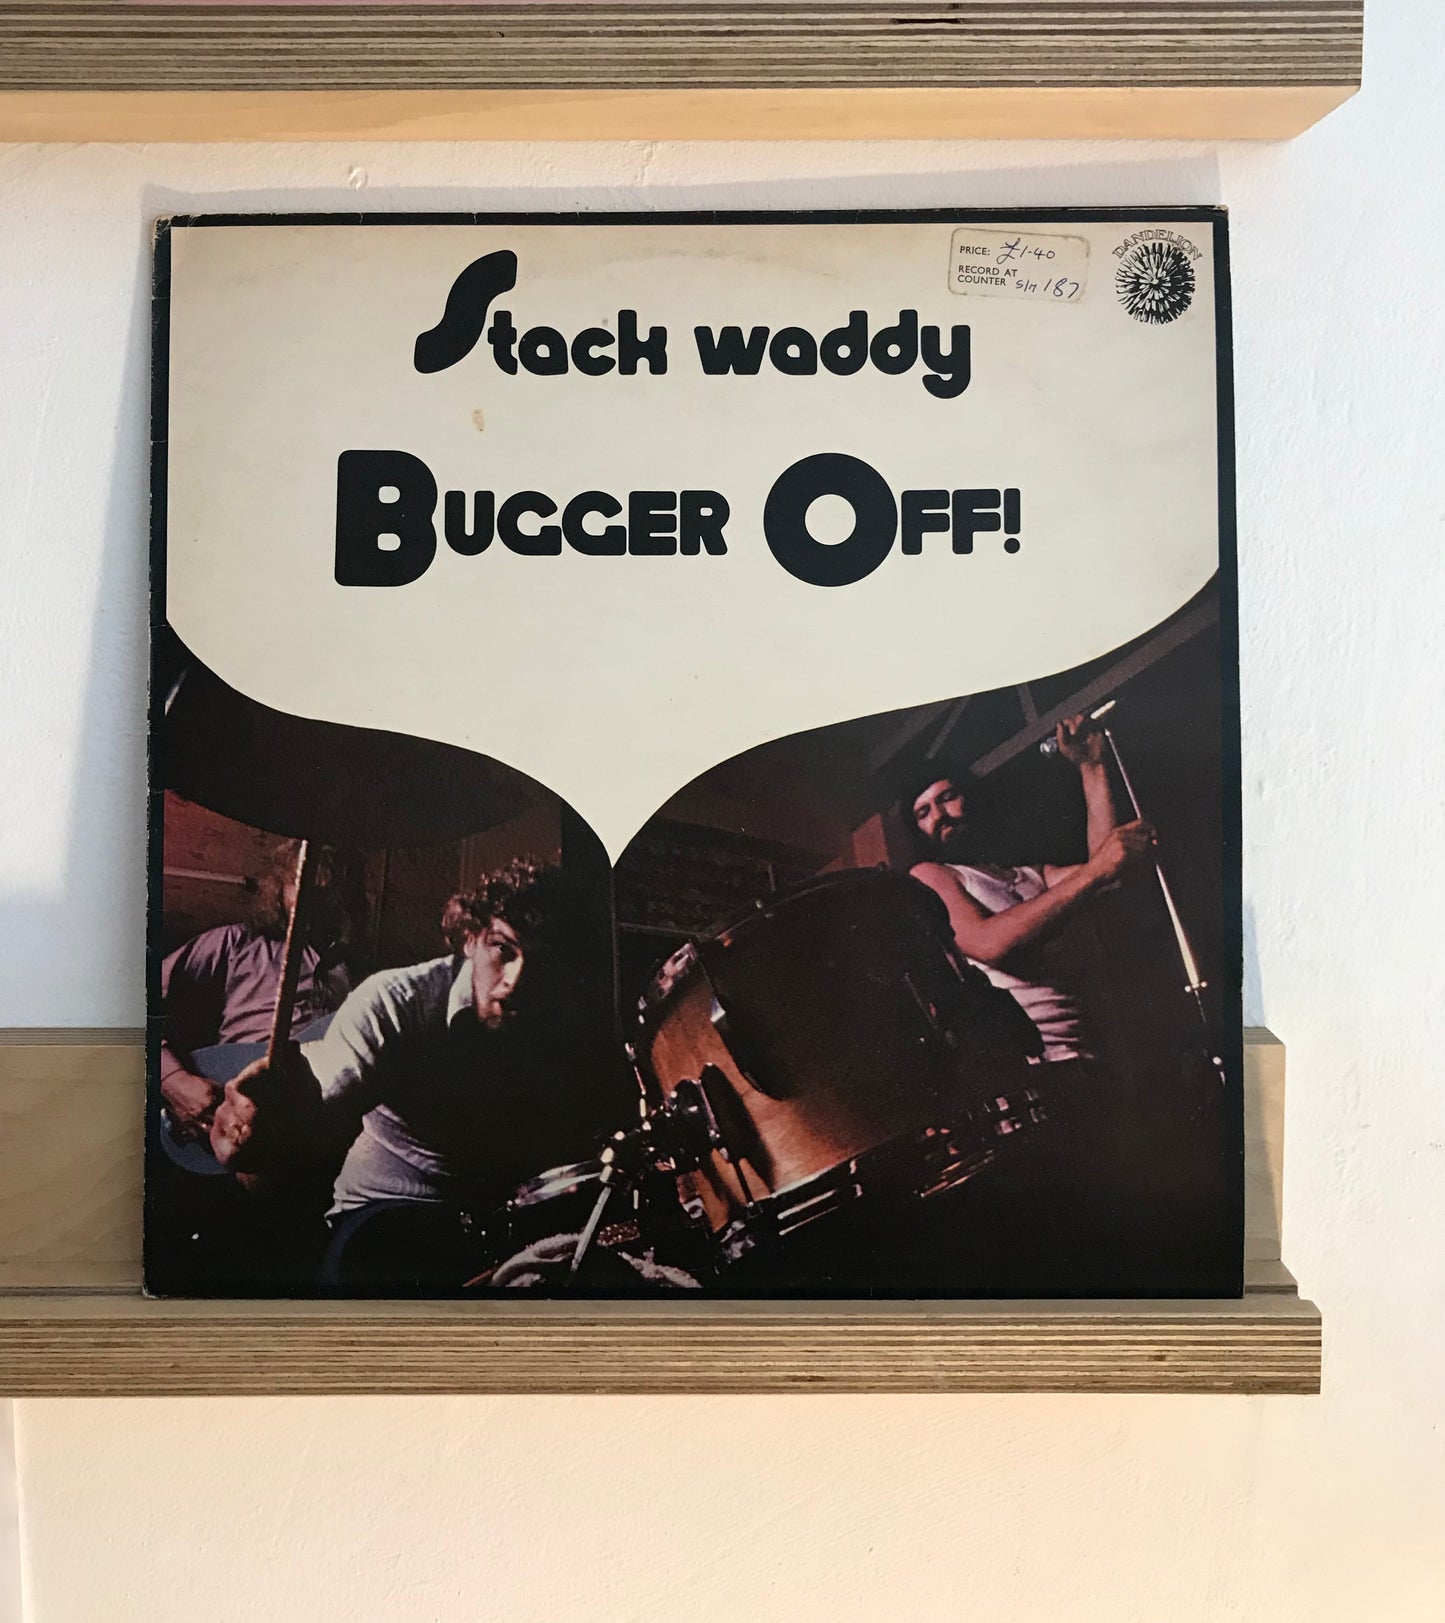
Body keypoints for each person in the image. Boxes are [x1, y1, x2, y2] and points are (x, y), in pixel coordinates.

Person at [208, 857, 604, 1293]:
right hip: (385, 1214)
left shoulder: (566, 1023)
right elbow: (318, 1115)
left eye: (541, 962)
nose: (516, 981)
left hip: (498, 1221)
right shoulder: (394, 1002)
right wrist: (264, 1132)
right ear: (470, 938)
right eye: (503, 949)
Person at [906, 715, 1156, 1065]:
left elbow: (1108, 873)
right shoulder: (931, 876)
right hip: (1030, 1067)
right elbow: (989, 943)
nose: (939, 815)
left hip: (1088, 1051)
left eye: (947, 797)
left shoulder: (1030, 874)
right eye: (923, 812)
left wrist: (1091, 767)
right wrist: (1096, 869)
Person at [158, 841, 353, 1143]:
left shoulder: (353, 974)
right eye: (302, 883)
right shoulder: (235, 943)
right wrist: (173, 1080)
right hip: (225, 1116)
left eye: (328, 889)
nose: (315, 897)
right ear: (279, 888)